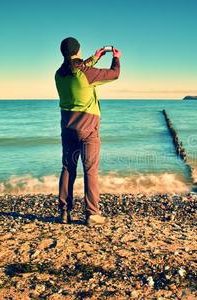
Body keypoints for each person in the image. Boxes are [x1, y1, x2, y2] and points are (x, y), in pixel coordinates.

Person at [54, 37, 121, 225]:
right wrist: (116, 58)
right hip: (88, 129)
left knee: (68, 168)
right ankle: (92, 214)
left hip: (67, 128)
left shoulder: (59, 74)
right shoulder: (86, 73)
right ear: (78, 50)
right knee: (90, 170)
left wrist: (96, 57)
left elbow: (78, 67)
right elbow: (114, 74)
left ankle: (64, 212)